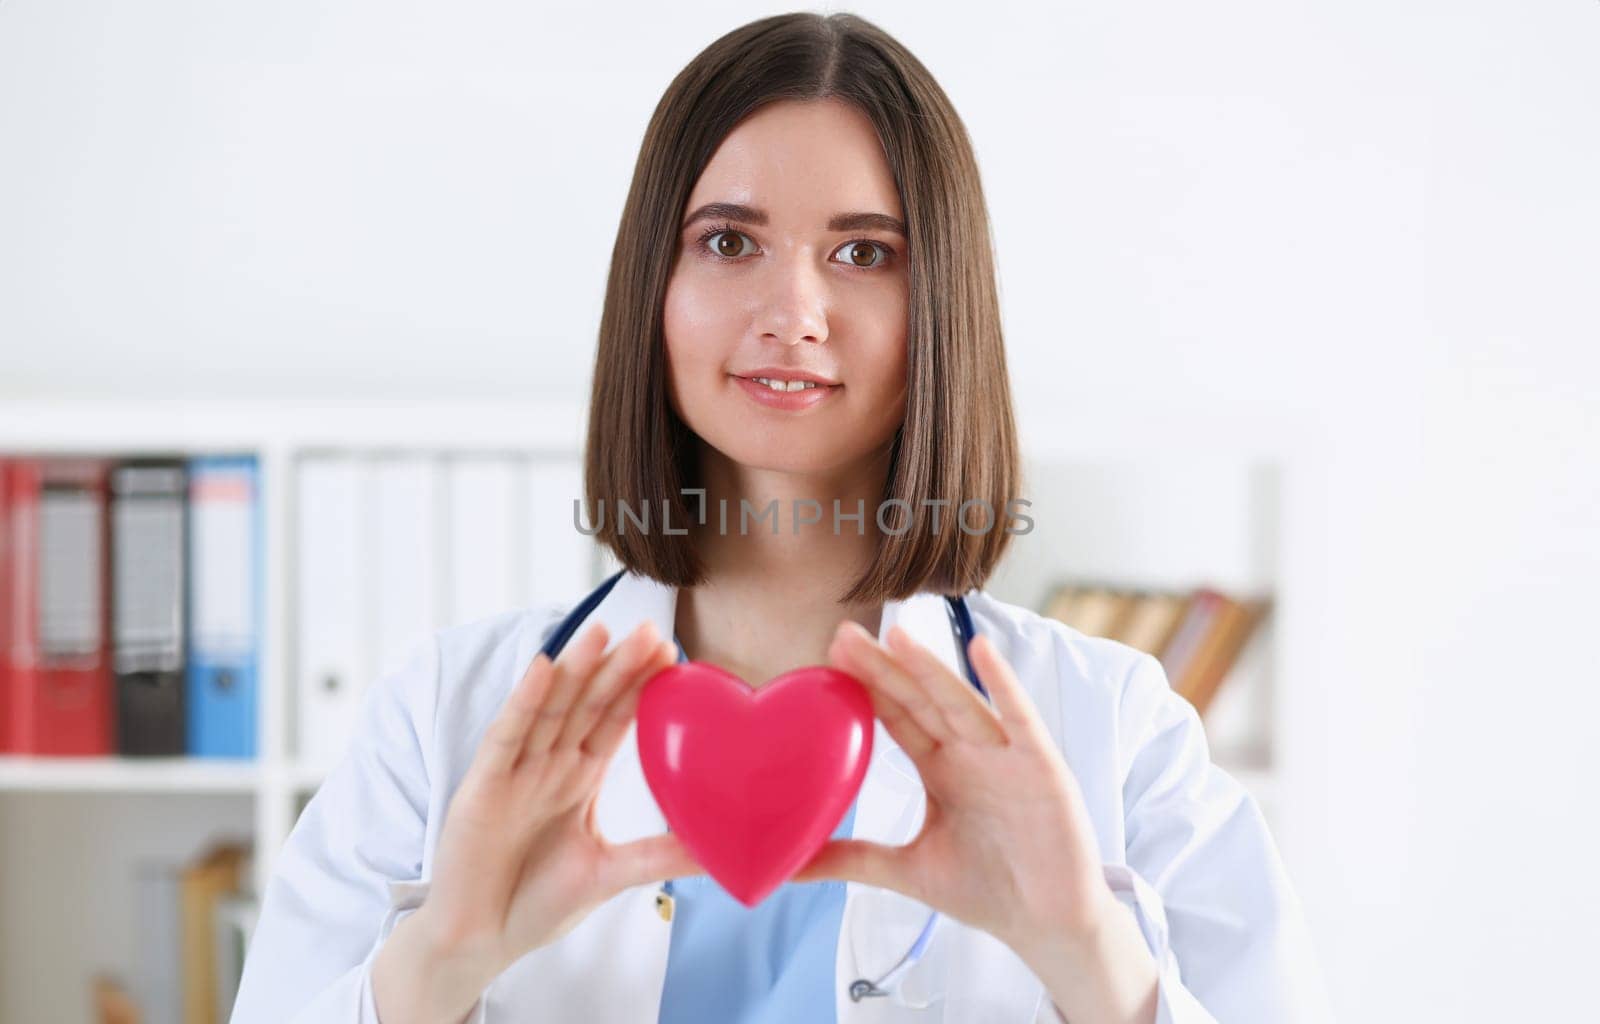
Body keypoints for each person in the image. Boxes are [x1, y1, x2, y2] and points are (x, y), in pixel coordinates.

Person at [230, 11, 1332, 1024]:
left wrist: (1089, 957)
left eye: (864, 254)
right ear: (650, 287)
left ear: (938, 305)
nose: (791, 314)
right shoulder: (443, 721)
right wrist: (441, 964)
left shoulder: (1113, 734)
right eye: (727, 241)